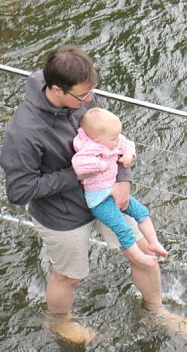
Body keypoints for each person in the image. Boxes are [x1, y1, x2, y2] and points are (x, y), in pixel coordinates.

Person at [0, 45, 187, 342]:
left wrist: (123, 180)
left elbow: (114, 139)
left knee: (146, 258)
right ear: (56, 89)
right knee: (69, 276)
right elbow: (19, 190)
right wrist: (74, 175)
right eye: (82, 96)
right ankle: (59, 321)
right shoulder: (25, 132)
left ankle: (155, 311)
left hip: (107, 197)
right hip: (61, 215)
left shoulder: (82, 95)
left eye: (91, 93)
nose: (89, 101)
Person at [71, 107, 167, 268]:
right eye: (114, 138)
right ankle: (138, 256)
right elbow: (78, 164)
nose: (118, 141)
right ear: (97, 140)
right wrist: (100, 164)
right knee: (122, 228)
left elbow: (126, 143)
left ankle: (153, 242)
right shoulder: (87, 149)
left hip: (114, 190)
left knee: (141, 212)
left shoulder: (111, 139)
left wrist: (130, 154)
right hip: (99, 200)